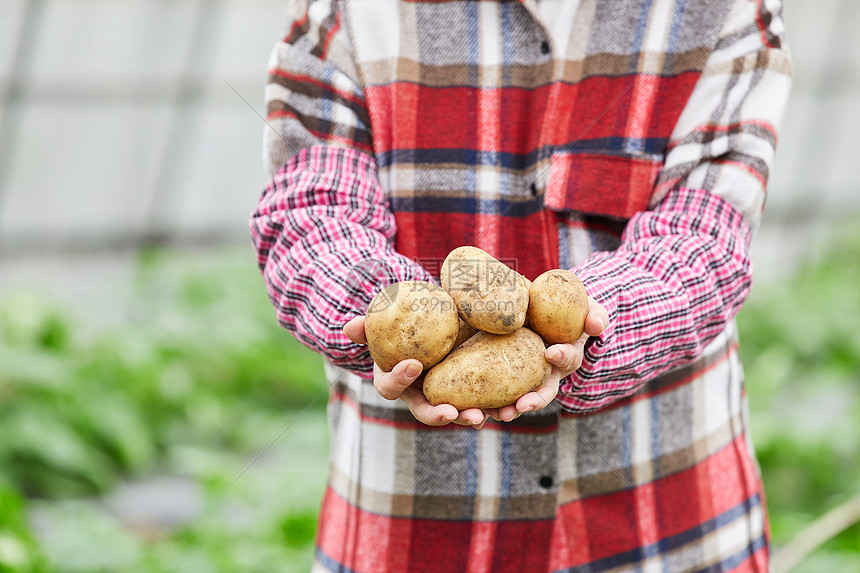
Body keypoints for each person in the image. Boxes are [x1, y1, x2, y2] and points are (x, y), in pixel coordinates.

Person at [250, 0, 792, 570]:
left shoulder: (723, 9)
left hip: (670, 527)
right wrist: (383, 313)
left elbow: (703, 240)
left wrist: (592, 325)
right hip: (411, 529)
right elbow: (310, 211)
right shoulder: (348, 12)